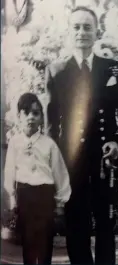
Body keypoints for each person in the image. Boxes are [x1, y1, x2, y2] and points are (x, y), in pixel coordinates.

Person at [44, 6, 118, 264]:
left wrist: (117, 141)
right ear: (69, 32)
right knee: (77, 227)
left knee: (106, 225)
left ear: (97, 32)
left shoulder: (113, 69)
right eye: (76, 27)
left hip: (105, 162)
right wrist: (54, 166)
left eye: (87, 27)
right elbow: (52, 124)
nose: (82, 32)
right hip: (70, 164)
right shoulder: (56, 71)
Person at [4, 93, 71, 264]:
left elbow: (60, 173)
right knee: (28, 244)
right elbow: (10, 171)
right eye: (26, 113)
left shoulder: (49, 144)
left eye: (35, 113)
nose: (30, 118)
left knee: (44, 244)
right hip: (24, 196)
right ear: (19, 117)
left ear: (41, 118)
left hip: (44, 197)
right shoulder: (15, 143)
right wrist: (12, 199)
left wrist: (60, 203)